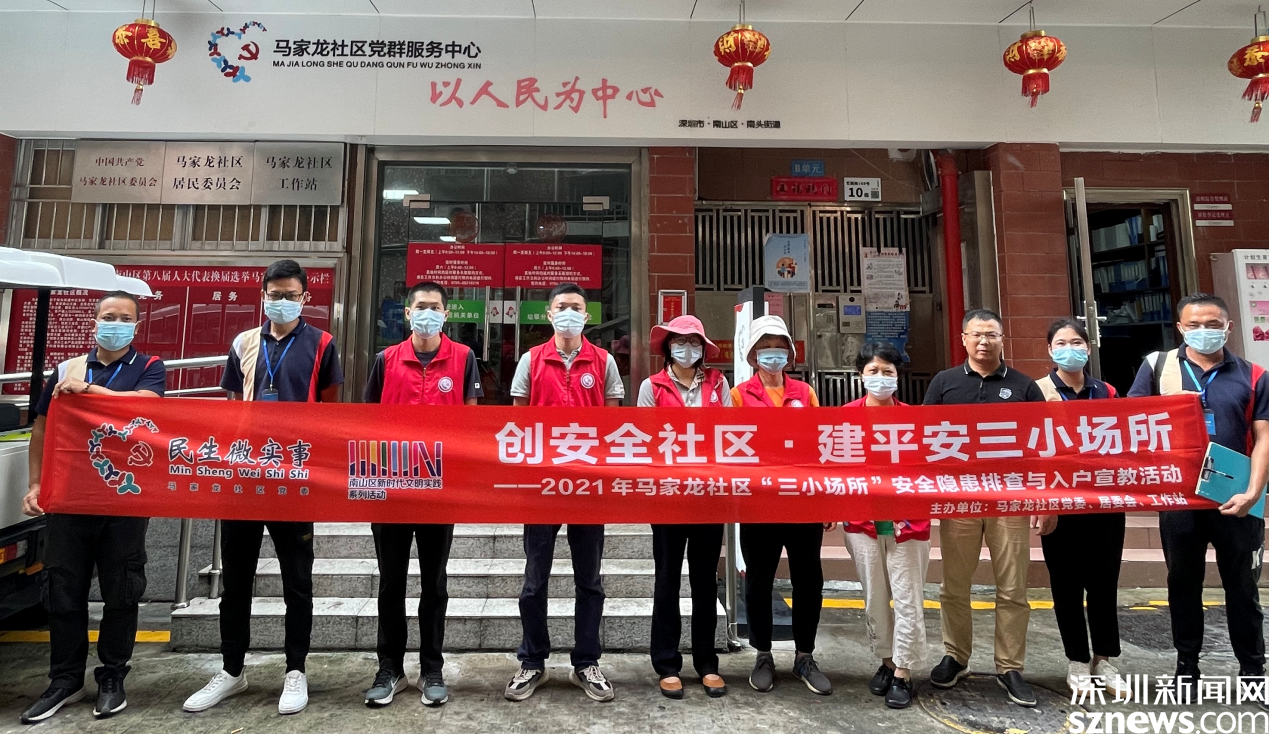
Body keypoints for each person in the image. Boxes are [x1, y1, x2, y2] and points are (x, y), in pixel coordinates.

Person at [184, 259, 342, 716]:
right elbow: (234, 404)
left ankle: (295, 671)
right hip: (245, 476)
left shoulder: (323, 344)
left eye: (291, 295)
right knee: (235, 580)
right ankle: (232, 670)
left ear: (305, 297)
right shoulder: (244, 343)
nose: (282, 301)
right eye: (275, 294)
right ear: (263, 296)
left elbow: (329, 412)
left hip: (295, 477)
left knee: (297, 581)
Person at [19, 291, 166, 724]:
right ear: (94, 320)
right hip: (70, 497)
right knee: (63, 590)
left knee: (122, 589)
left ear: (136, 325)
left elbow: (147, 407)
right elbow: (42, 428)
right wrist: (36, 483)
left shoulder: (149, 367)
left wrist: (90, 391)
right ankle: (65, 680)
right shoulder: (66, 369)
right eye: (109, 316)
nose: (115, 324)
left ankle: (112, 677)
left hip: (124, 497)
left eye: (125, 318)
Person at [1127, 293, 1268, 707]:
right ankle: (1186, 669)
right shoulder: (1158, 368)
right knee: (1182, 585)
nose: (1204, 332)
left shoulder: (1255, 376)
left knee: (1243, 589)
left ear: (1228, 327)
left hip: (1236, 499)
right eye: (1194, 325)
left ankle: (1253, 673)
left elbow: (1263, 438)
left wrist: (1253, 492)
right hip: (1179, 499)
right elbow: (1132, 424)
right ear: (1180, 327)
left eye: (1213, 324)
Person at [360, 282, 482, 708]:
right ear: (408, 313)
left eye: (435, 307)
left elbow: (471, 425)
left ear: (446, 314)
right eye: (420, 306)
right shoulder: (386, 360)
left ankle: (432, 668)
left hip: (438, 491)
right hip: (391, 490)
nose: (427, 313)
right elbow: (367, 424)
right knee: (391, 582)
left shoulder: (463, 358)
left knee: (434, 583)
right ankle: (389, 668)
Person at [504, 282, 624, 703]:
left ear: (587, 316)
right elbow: (519, 425)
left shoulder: (604, 361)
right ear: (549, 314)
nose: (569, 312)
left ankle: (586, 662)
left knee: (589, 581)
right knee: (534, 580)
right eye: (562, 306)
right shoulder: (531, 360)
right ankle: (532, 661)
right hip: (541, 488)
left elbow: (612, 428)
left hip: (588, 488)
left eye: (576, 306)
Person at [923, 308, 1044, 708]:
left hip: (1009, 498)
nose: (983, 342)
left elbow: (1042, 446)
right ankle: (955, 656)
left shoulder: (1024, 387)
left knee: (1013, 587)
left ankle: (1010, 666)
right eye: (976, 334)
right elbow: (924, 438)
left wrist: (1042, 498)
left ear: (1002, 339)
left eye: (991, 334)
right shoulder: (944, 383)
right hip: (959, 497)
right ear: (963, 339)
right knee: (954, 585)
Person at [729, 314, 832, 697]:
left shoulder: (805, 393)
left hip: (803, 501)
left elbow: (820, 446)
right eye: (765, 347)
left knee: (809, 580)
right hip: (759, 503)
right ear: (753, 355)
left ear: (789, 353)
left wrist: (826, 499)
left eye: (779, 347)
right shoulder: (739, 395)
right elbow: (731, 448)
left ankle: (805, 655)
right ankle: (763, 654)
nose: (773, 354)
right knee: (759, 581)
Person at [636, 315, 732, 700]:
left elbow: (730, 435)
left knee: (705, 581)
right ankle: (667, 663)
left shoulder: (718, 384)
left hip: (708, 497)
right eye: (680, 341)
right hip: (668, 497)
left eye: (694, 342)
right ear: (668, 347)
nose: (687, 348)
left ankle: (707, 662)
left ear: (703, 349)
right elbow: (644, 439)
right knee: (667, 580)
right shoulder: (651, 387)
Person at [1032, 319, 1128, 697]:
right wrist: (1044, 502)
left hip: (1104, 502)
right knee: (1066, 585)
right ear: (1049, 350)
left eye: (1076, 342)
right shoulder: (1036, 392)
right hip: (1059, 504)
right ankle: (1076, 659)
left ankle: (1104, 659)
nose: (1069, 349)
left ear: (1088, 348)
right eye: (1060, 343)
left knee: (1104, 584)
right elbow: (1030, 453)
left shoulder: (1107, 391)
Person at [840, 341, 930, 710]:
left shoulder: (916, 419)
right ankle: (887, 661)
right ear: (860, 376)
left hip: (908, 523)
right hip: (862, 523)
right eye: (873, 371)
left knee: (908, 598)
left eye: (887, 372)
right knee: (875, 597)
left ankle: (904, 672)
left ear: (898, 376)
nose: (880, 377)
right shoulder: (844, 417)